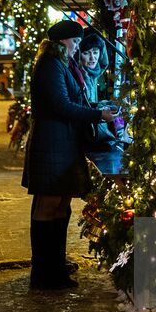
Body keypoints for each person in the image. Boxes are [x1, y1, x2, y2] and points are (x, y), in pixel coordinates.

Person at [21, 20, 116, 290]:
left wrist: (98, 108)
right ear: (64, 41)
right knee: (48, 204)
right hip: (52, 143)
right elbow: (62, 105)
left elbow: (73, 101)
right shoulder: (50, 65)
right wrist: (98, 115)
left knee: (61, 204)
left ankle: (55, 265)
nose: (77, 48)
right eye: (75, 42)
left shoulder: (61, 63)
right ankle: (43, 272)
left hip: (63, 142)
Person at [78, 28, 109, 104]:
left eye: (95, 52)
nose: (92, 58)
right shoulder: (77, 76)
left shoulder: (94, 73)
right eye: (86, 53)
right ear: (78, 55)